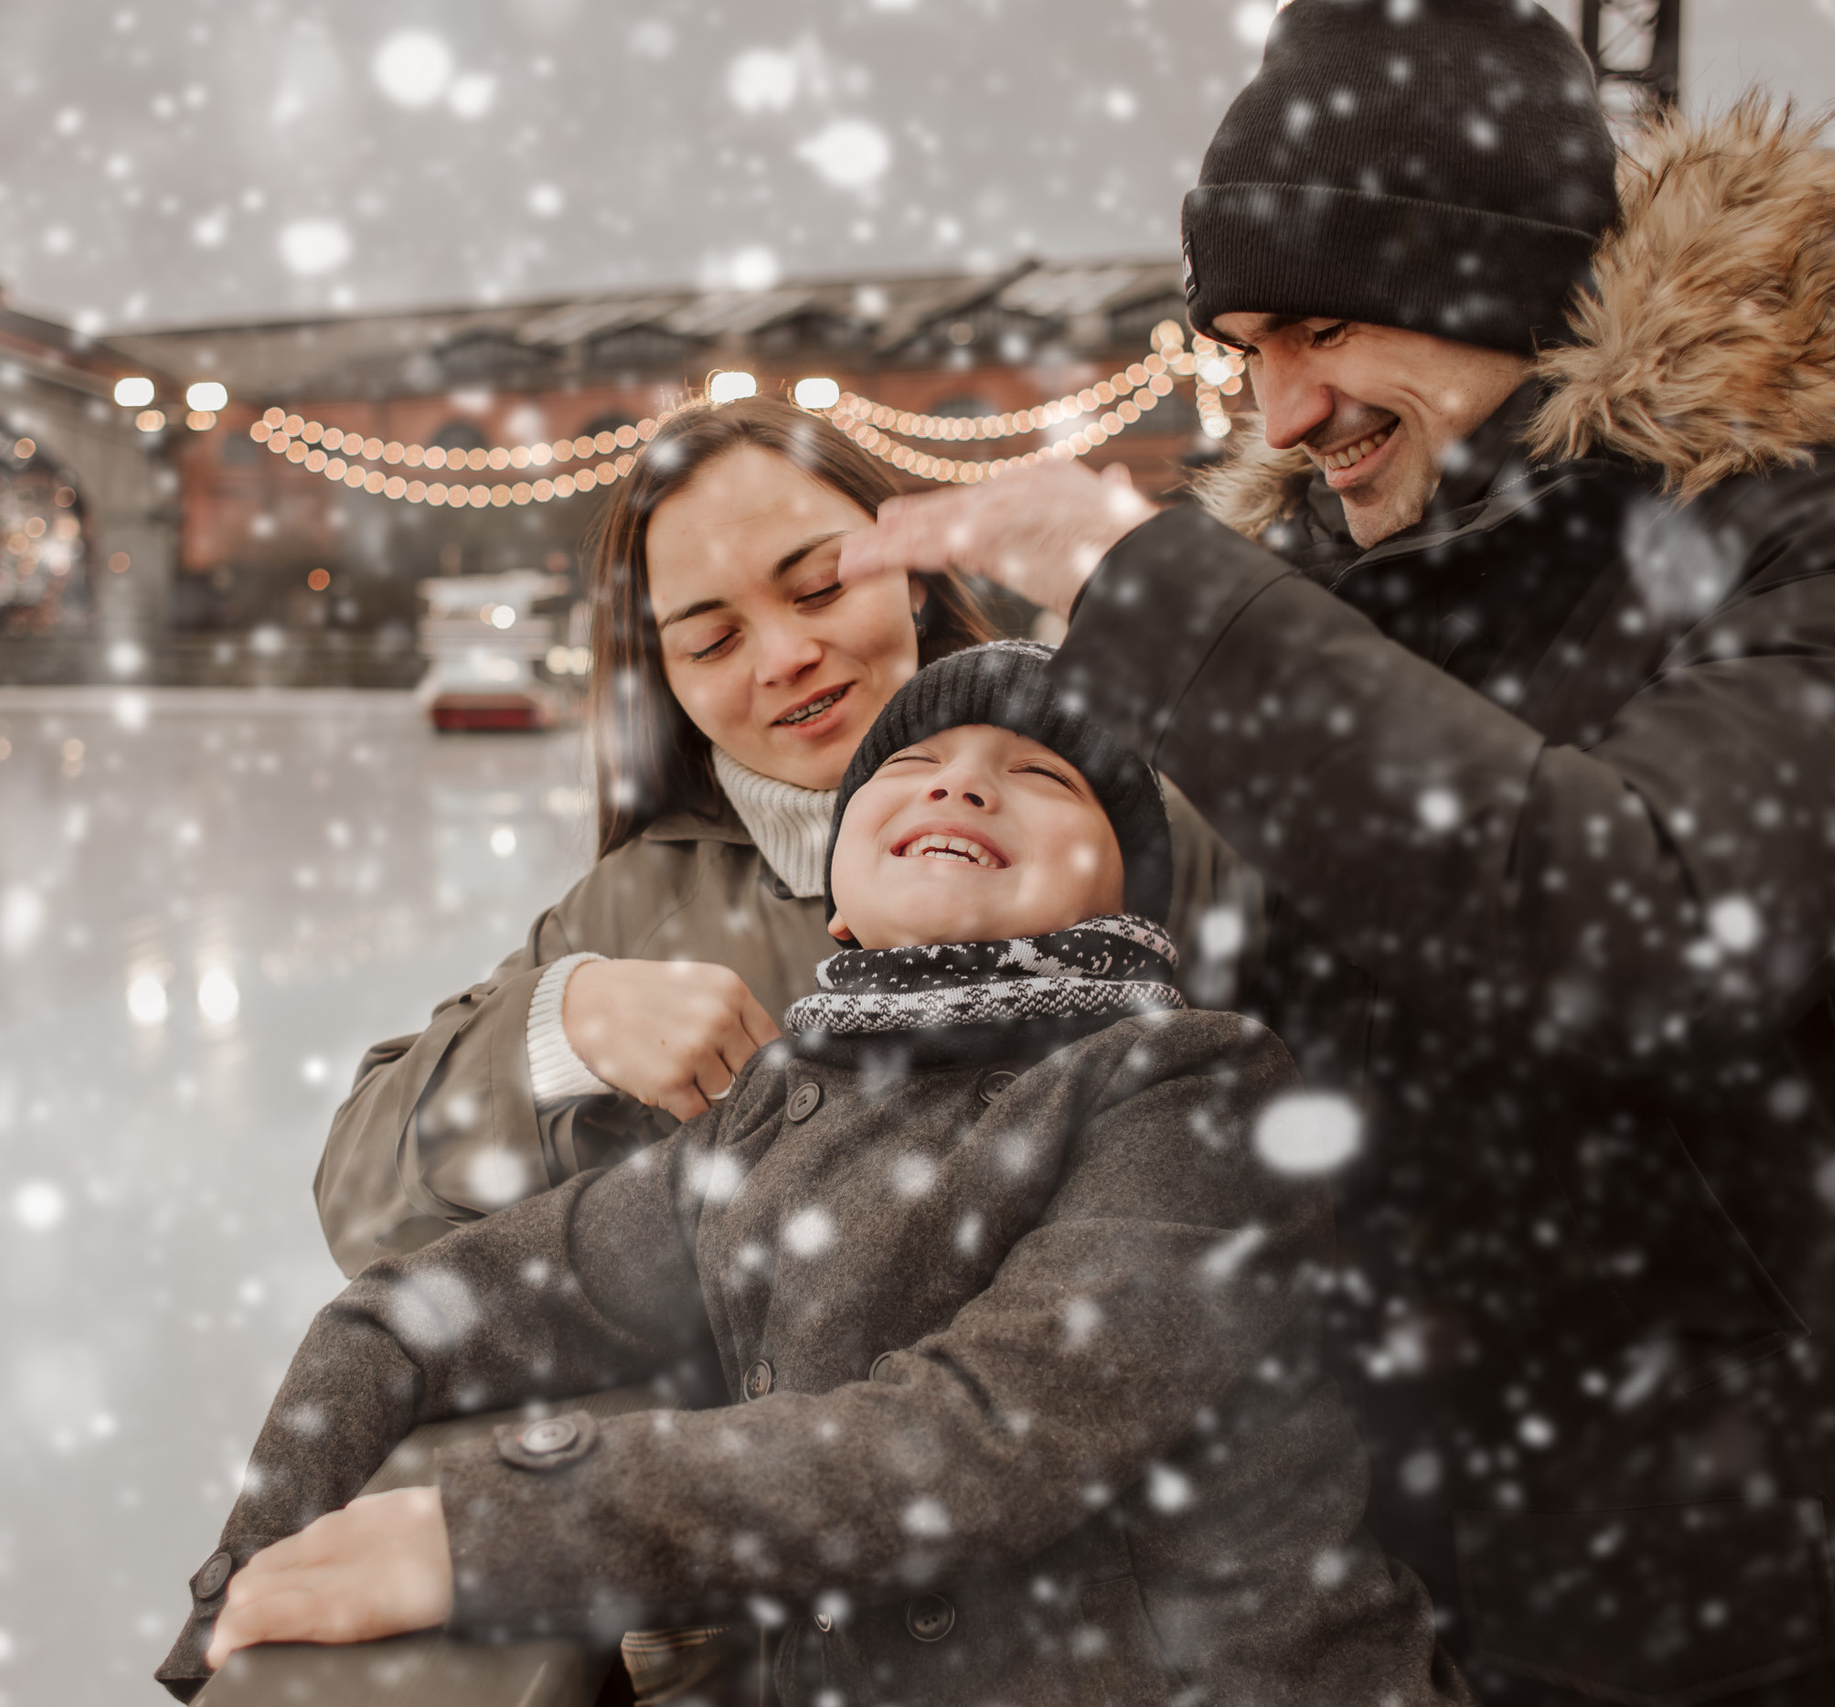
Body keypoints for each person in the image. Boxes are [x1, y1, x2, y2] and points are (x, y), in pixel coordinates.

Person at [837, 9, 1835, 1706]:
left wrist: (1141, 583)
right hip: (1374, 1597)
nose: (1284, 404)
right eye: (1246, 344)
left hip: (1762, 1609)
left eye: (1325, 326)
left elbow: (1633, 919)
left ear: (1506, 288)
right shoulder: (1316, 598)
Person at [159, 642, 1466, 1707]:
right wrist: (244, 1579)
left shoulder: (1192, 1085)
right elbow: (419, 1310)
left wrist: (495, 1528)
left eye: (1039, 774)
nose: (960, 784)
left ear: (1126, 892)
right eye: (914, 762)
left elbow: (981, 1440)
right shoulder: (767, 1121)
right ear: (837, 897)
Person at [313, 398, 1258, 1275]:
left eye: (817, 586)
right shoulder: (637, 910)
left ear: (916, 580)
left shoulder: (1154, 818)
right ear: (668, 681)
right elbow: (364, 1208)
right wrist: (562, 1028)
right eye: (712, 643)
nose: (784, 657)